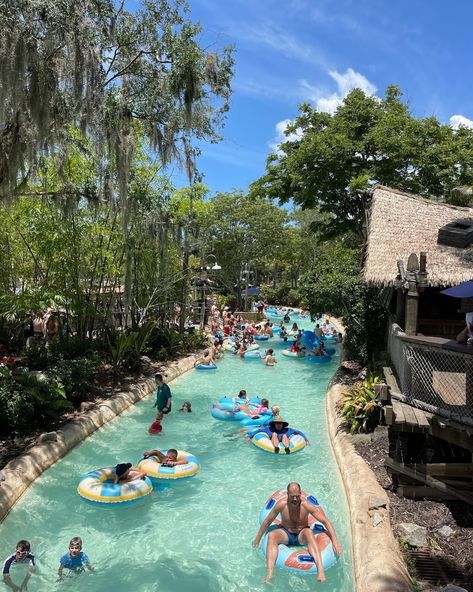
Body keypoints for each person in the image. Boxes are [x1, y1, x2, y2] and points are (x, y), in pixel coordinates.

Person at [252, 482, 342, 584]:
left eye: (297, 496)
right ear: (287, 494)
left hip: (301, 534)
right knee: (272, 535)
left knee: (308, 532)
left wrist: (335, 542)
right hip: (286, 533)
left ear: (300, 493)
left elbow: (325, 521)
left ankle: (320, 571)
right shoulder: (281, 505)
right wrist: (257, 539)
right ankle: (270, 573)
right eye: (292, 496)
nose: (295, 499)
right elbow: (267, 522)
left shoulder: (306, 505)